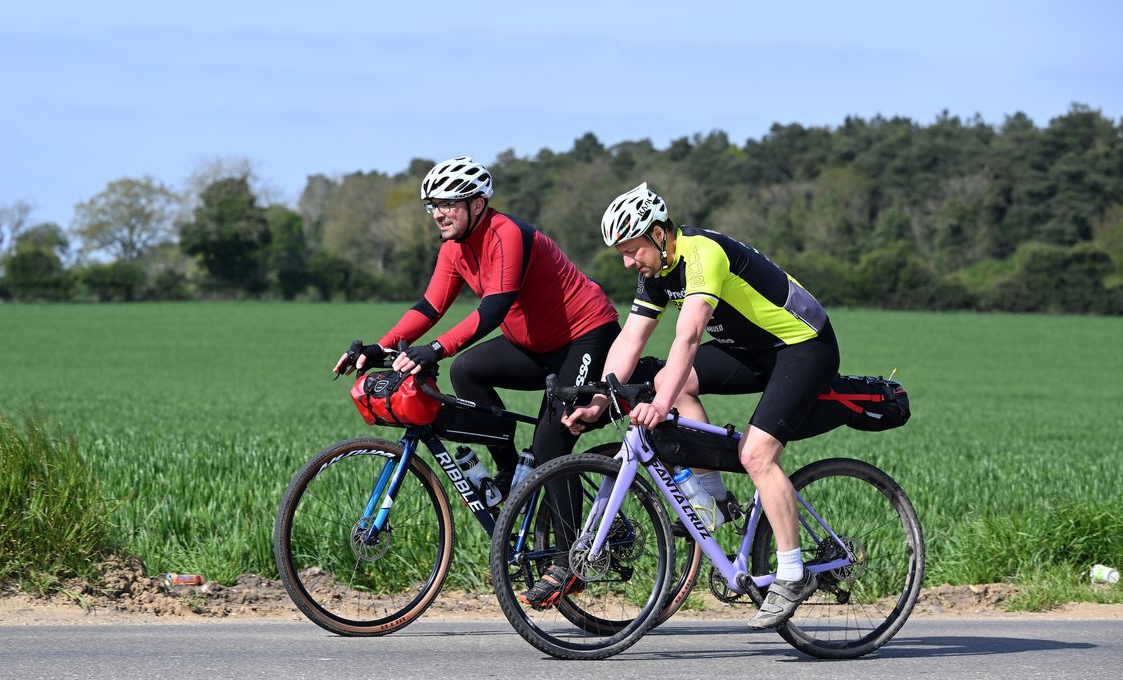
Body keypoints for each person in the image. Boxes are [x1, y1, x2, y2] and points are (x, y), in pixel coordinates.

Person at [333, 156, 622, 608]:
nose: (438, 214)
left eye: (448, 204)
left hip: (585, 335)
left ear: (478, 203)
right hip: (533, 344)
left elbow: (493, 311)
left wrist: (435, 348)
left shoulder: (507, 235)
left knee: (552, 444)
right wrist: (379, 347)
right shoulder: (454, 247)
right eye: (433, 206)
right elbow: (429, 307)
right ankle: (509, 473)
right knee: (467, 371)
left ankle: (569, 562)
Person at [563, 182, 841, 630]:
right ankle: (711, 499)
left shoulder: (702, 254)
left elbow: (688, 337)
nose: (628, 262)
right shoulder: (655, 273)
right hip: (751, 350)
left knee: (756, 454)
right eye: (621, 254)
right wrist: (599, 398)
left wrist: (662, 404)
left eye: (632, 250)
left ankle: (791, 574)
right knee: (660, 382)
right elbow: (631, 338)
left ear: (657, 234)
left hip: (801, 346)